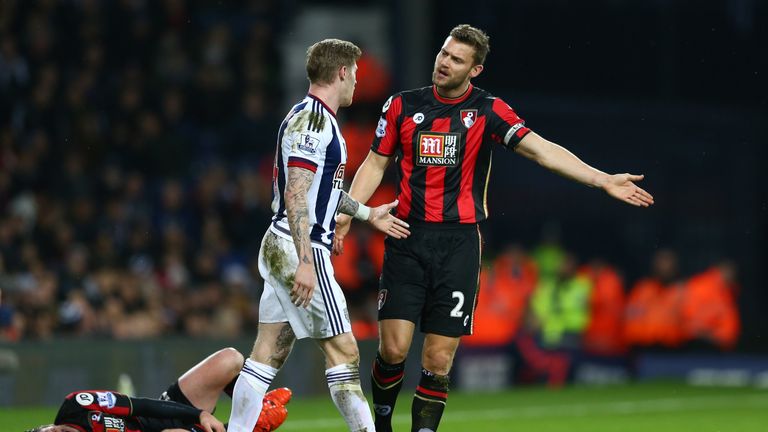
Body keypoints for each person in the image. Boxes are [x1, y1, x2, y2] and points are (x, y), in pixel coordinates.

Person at [333, 24, 655, 431]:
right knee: (394, 349)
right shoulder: (401, 106)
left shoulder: (488, 111)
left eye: (456, 59)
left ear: (475, 69)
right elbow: (376, 164)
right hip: (407, 237)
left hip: (460, 245)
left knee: (437, 359)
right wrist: (349, 213)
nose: (444, 63)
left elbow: (542, 151)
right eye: (443, 54)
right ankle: (381, 424)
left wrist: (602, 179)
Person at [226, 39, 410, 432]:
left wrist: (365, 212)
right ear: (341, 72)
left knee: (266, 354)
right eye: (356, 74)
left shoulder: (306, 116)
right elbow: (296, 193)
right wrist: (307, 263)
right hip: (298, 250)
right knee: (344, 352)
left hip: (281, 245)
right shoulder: (314, 125)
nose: (358, 83)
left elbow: (318, 190)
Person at [26, 347, 292, 432]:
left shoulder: (76, 405)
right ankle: (251, 426)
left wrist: (198, 415)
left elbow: (140, 405)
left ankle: (254, 407)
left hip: (162, 412)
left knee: (229, 359)